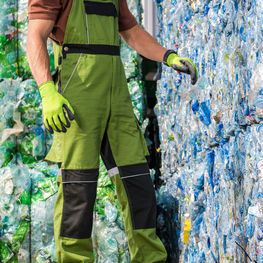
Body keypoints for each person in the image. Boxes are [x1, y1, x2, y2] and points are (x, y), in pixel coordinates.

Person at [26, 0, 198, 262]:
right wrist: (47, 91)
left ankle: (150, 258)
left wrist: (168, 56)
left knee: (138, 183)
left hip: (116, 95)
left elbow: (130, 30)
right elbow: (35, 36)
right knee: (78, 190)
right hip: (78, 93)